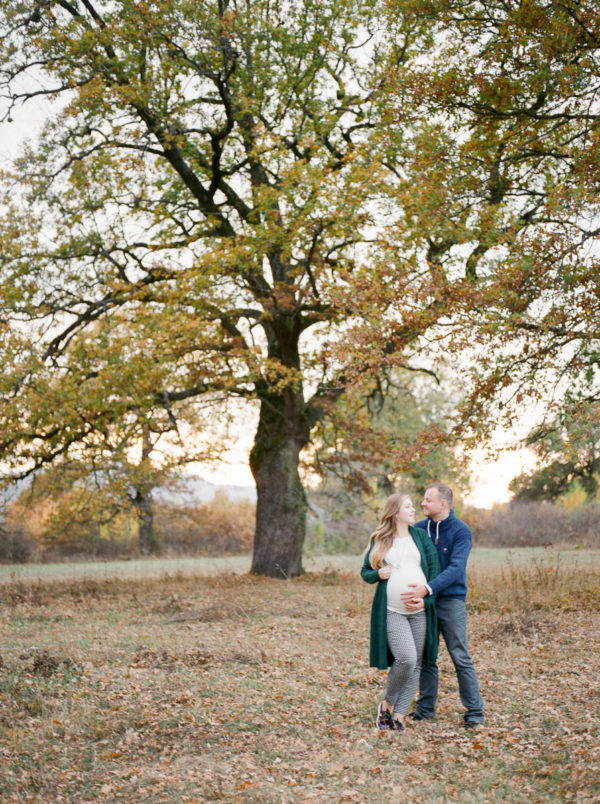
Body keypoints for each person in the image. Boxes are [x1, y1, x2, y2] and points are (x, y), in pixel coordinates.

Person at [401, 482, 484, 728]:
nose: (423, 504)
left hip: (451, 600)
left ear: (443, 504)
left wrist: (428, 588)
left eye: (428, 500)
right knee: (426, 656)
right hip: (423, 602)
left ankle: (475, 712)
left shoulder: (461, 531)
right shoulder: (417, 529)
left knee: (460, 656)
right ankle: (425, 709)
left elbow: (456, 568)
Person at [361, 492, 441, 732]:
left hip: (418, 610)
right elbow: (365, 571)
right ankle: (386, 704)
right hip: (392, 610)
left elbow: (435, 573)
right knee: (406, 658)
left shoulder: (420, 536)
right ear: (395, 512)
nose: (413, 509)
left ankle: (399, 716)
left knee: (416, 663)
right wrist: (378, 574)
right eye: (408, 506)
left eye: (412, 506)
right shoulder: (381, 539)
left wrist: (425, 602)